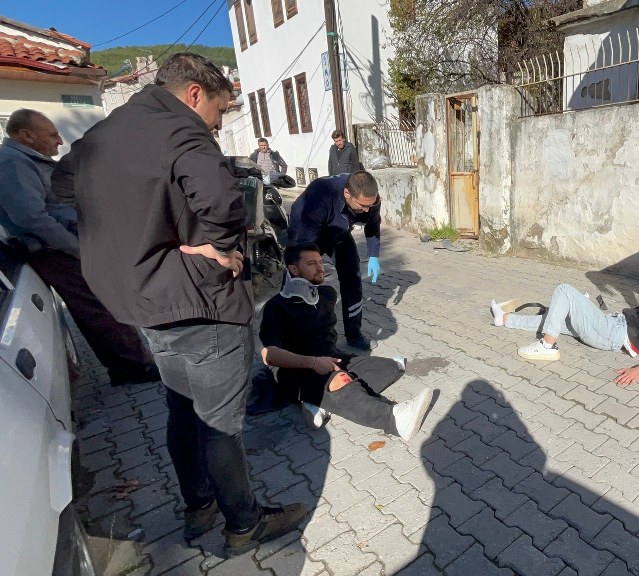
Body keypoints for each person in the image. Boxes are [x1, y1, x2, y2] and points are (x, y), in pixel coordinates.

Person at [51, 53, 307, 556]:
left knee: (181, 409)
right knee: (220, 423)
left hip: (142, 304)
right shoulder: (183, 133)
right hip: (200, 302)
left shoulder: (106, 132)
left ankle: (199, 506)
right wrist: (216, 249)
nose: (217, 124)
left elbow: (61, 187)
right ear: (194, 94)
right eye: (219, 110)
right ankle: (244, 523)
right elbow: (224, 206)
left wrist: (137, 235)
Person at [0, 109, 158, 386]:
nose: (59, 141)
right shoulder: (13, 163)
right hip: (54, 251)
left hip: (63, 246)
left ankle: (130, 364)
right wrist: (75, 247)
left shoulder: (25, 160)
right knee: (98, 306)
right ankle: (133, 368)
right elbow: (31, 217)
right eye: (52, 135)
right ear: (26, 136)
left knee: (100, 304)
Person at [257, 243, 434, 436]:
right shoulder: (276, 307)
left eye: (320, 262)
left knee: (393, 367)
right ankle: (394, 418)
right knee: (339, 381)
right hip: (296, 370)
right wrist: (314, 363)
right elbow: (269, 356)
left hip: (330, 358)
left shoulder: (326, 295)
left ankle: (319, 400)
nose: (320, 267)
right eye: (311, 263)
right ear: (293, 269)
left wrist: (326, 362)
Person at [492, 281, 639, 386]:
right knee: (557, 316)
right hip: (612, 324)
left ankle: (547, 346)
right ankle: (503, 319)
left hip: (612, 333)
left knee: (564, 291)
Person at [287, 171, 381, 351]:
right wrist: (311, 265)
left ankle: (354, 334)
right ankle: (293, 330)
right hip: (305, 230)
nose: (367, 210)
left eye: (371, 205)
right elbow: (307, 240)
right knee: (299, 279)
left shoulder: (370, 198)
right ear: (347, 194)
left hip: (338, 230)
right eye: (362, 206)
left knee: (352, 279)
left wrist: (374, 255)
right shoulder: (321, 195)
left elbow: (373, 224)